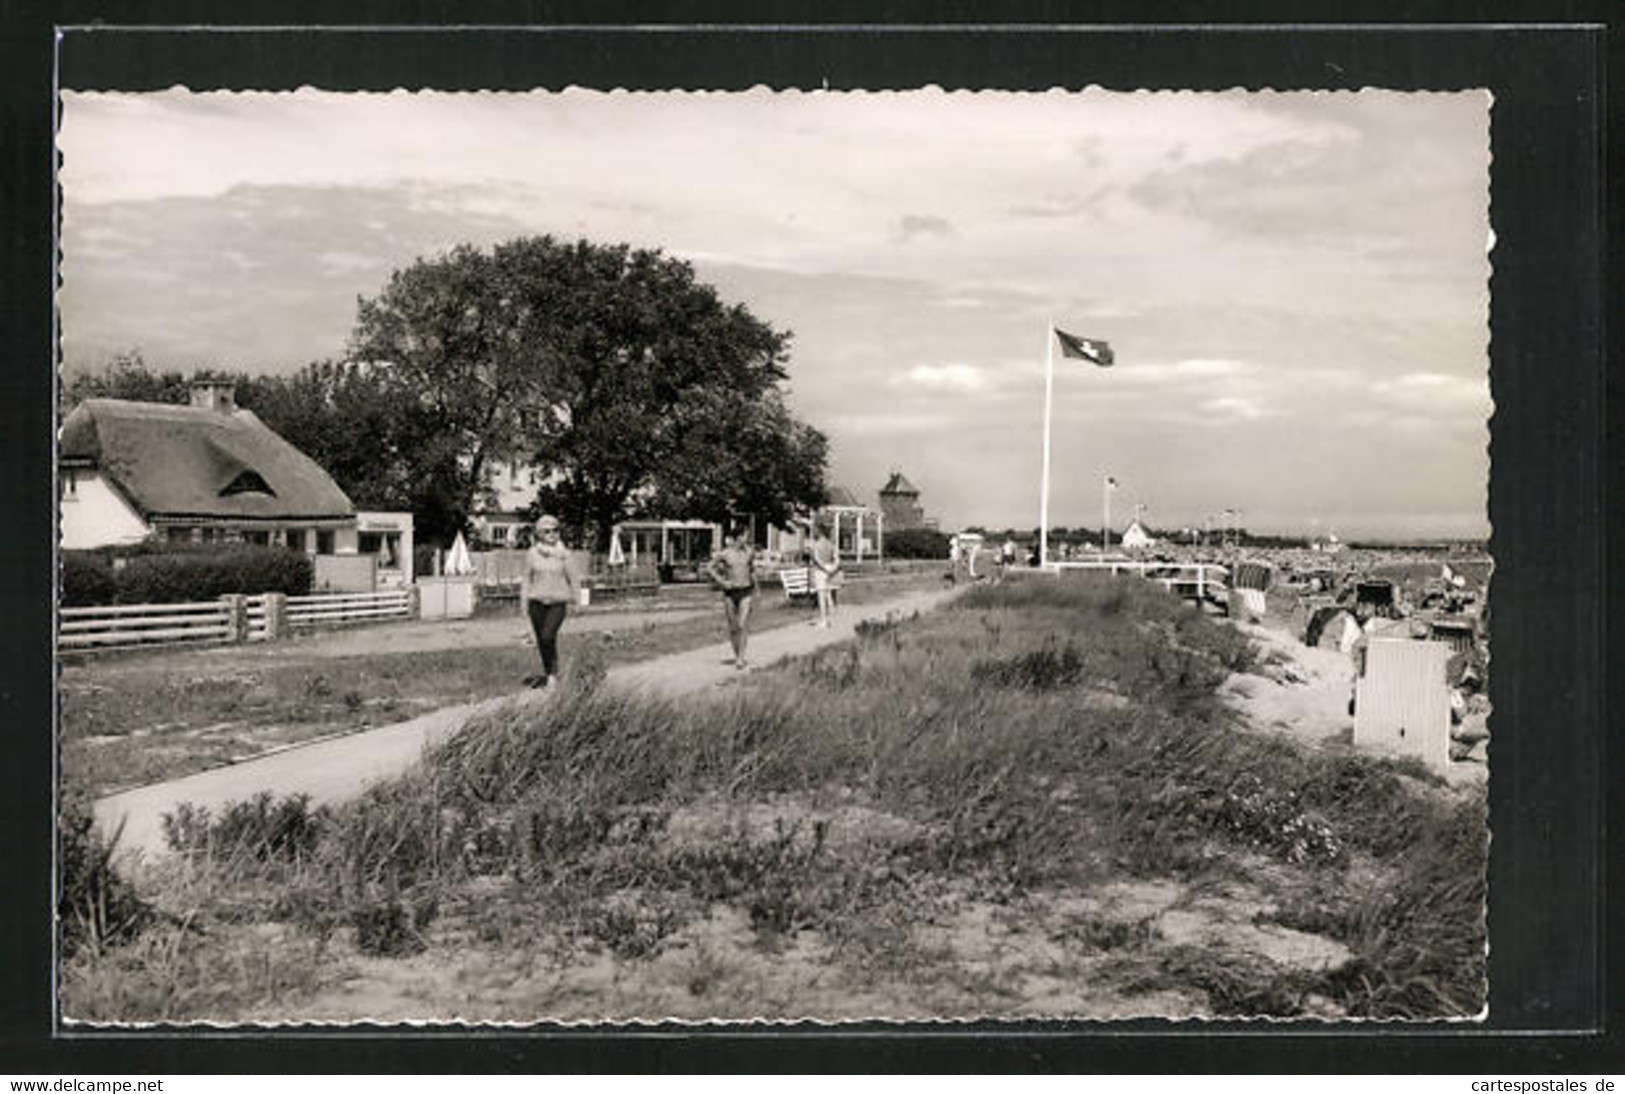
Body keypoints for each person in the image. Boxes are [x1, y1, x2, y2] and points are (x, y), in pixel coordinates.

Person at [519, 514, 585, 690]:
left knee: (548, 636)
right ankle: (550, 674)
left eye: (555, 530)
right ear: (540, 534)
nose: (552, 534)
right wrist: (523, 603)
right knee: (542, 641)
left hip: (557, 603)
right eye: (547, 531)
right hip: (536, 603)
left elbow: (575, 580)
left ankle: (553, 675)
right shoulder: (532, 554)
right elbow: (526, 579)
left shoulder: (565, 555)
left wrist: (578, 602)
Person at [706, 527, 758, 669]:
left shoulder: (749, 552)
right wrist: (722, 582)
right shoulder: (725, 553)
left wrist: (756, 588)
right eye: (745, 536)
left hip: (746, 591)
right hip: (730, 593)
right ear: (738, 537)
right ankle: (737, 654)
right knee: (734, 627)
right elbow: (709, 567)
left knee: (742, 625)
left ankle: (741, 658)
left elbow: (752, 570)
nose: (747, 539)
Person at [807, 523, 840, 628]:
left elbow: (816, 559)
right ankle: (828, 618)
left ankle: (824, 620)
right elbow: (837, 559)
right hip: (830, 569)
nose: (813, 533)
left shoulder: (816, 545)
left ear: (819, 532)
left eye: (815, 531)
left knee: (821, 596)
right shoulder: (830, 544)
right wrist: (833, 568)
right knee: (827, 594)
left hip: (820, 571)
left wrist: (824, 569)